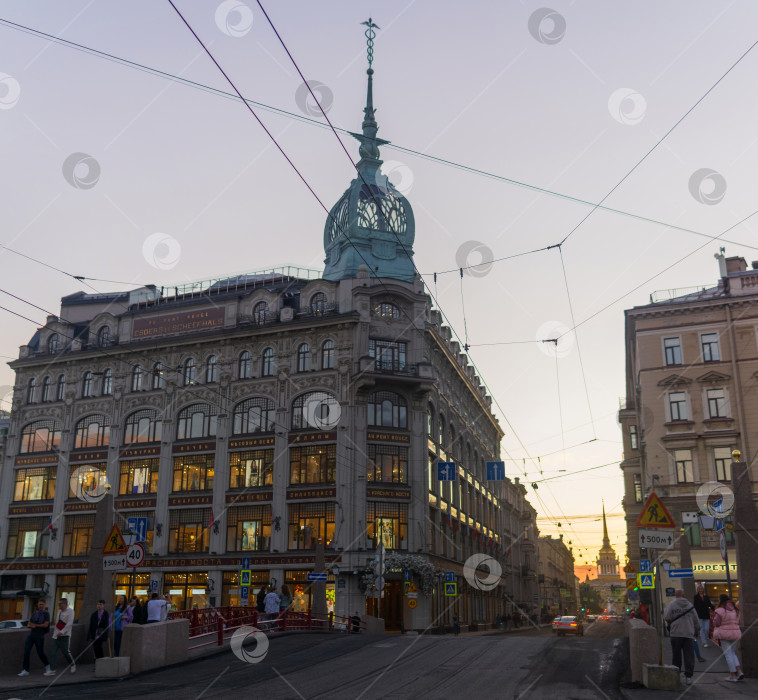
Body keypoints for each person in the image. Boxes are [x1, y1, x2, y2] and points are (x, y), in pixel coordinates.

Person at [663, 590, 699, 685]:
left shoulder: (672, 604)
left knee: (676, 655)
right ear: (684, 595)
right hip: (688, 633)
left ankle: (676, 675)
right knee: (689, 655)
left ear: (676, 595)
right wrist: (697, 630)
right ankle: (688, 677)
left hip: (676, 634)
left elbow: (666, 617)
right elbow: (696, 619)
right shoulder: (690, 605)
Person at [713, 594, 743, 681]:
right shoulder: (736, 610)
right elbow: (739, 622)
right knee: (733, 653)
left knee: (728, 655)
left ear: (720, 600)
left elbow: (716, 623)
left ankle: (732, 675)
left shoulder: (720, 610)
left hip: (724, 634)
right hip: (735, 634)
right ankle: (739, 672)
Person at [18, 599, 50, 676]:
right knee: (26, 652)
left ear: (44, 605)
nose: (41, 606)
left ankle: (48, 666)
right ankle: (25, 670)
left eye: (42, 604)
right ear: (37, 605)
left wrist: (36, 625)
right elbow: (30, 622)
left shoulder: (46, 614)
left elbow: (46, 624)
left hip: (40, 636)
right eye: (39, 604)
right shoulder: (35, 613)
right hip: (31, 635)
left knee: (40, 653)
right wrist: (28, 625)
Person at [45, 598, 76, 676]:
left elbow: (69, 623)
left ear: (65, 604)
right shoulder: (59, 612)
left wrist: (62, 632)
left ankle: (72, 664)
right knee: (52, 652)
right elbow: (57, 624)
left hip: (65, 636)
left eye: (61, 603)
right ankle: (52, 670)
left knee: (66, 652)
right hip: (56, 636)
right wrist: (55, 634)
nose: (59, 605)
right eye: (59, 603)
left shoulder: (71, 611)